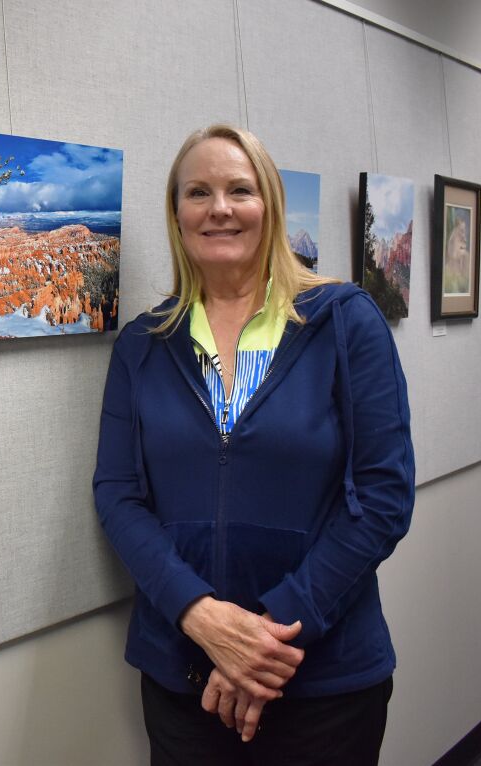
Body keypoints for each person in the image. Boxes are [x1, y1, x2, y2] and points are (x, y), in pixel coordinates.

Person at [93, 124, 414, 765]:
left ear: (269, 204)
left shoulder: (345, 322)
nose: (219, 207)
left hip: (324, 682)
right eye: (198, 192)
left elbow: (382, 497)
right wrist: (203, 618)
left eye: (240, 189)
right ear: (176, 212)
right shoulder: (142, 344)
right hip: (184, 679)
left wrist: (263, 639)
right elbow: (119, 495)